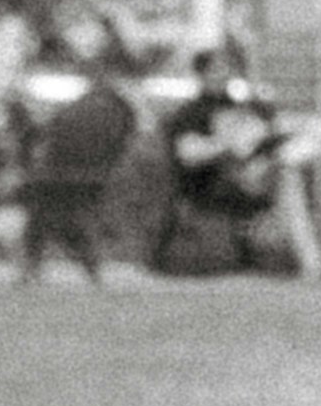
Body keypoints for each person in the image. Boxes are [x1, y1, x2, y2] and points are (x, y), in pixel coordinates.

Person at [157, 46, 289, 277]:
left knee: (287, 174)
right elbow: (188, 154)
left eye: (227, 69)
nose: (224, 74)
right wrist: (228, 144)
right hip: (209, 184)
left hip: (248, 177)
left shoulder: (245, 108)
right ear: (202, 73)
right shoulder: (190, 113)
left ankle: (301, 259)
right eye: (217, 69)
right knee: (286, 182)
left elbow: (264, 141)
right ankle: (307, 261)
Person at [18, 47, 140, 283]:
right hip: (75, 175)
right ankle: (83, 263)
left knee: (48, 211)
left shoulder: (105, 107)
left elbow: (52, 136)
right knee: (53, 213)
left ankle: (40, 265)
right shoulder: (113, 107)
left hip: (77, 175)